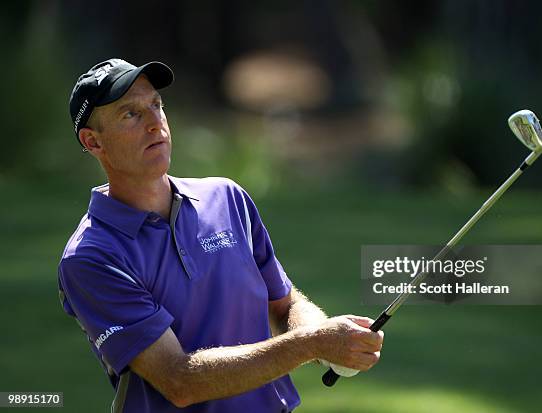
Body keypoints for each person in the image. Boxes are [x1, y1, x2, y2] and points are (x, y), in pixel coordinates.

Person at [58, 58, 384, 412]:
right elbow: (178, 380)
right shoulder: (92, 257)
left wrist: (333, 338)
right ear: (93, 142)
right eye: (130, 115)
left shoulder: (227, 198)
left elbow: (285, 305)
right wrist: (313, 343)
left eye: (156, 105)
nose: (155, 124)